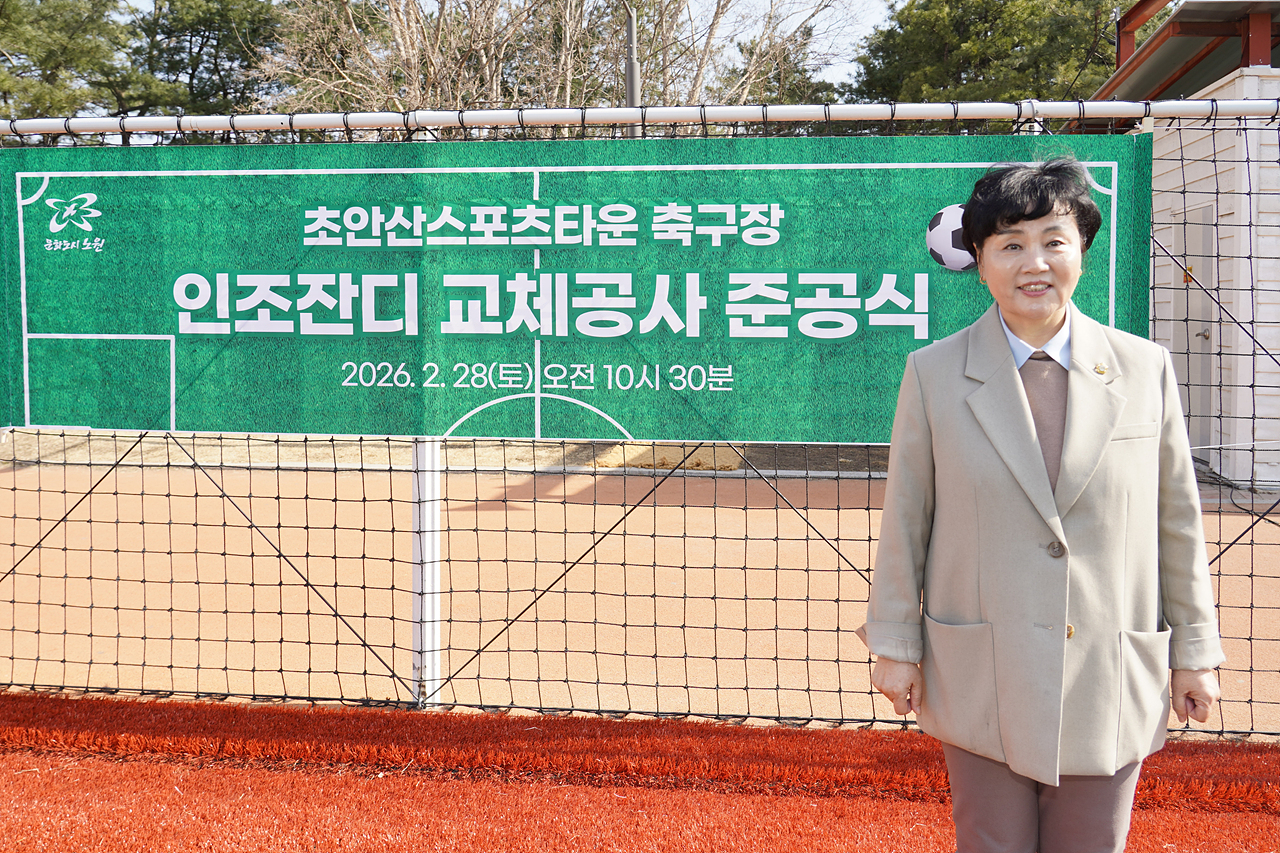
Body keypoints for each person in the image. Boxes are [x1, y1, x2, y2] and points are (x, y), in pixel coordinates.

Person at [862, 157, 1224, 853]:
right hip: (981, 668)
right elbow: (907, 520)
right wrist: (896, 646)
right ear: (978, 257)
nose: (1035, 262)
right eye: (1010, 243)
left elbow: (1177, 521)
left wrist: (1196, 652)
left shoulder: (1144, 368)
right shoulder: (933, 374)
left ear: (1082, 247)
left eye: (1054, 239)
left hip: (1109, 673)